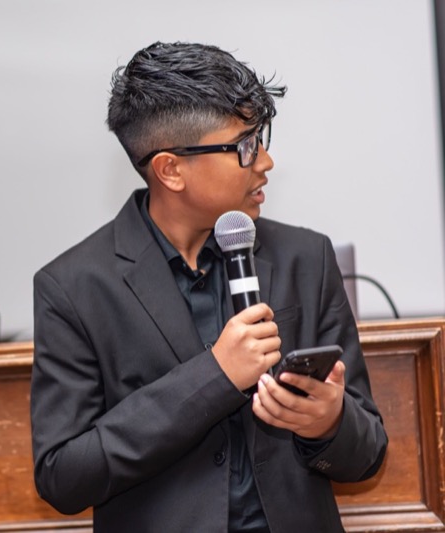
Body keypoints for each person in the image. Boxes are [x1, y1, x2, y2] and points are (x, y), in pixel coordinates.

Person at [30, 42, 387, 532]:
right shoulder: (74, 287)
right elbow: (63, 477)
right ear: (170, 170)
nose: (265, 162)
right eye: (244, 146)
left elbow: (368, 454)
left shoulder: (306, 257)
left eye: (260, 139)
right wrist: (215, 376)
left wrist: (329, 422)